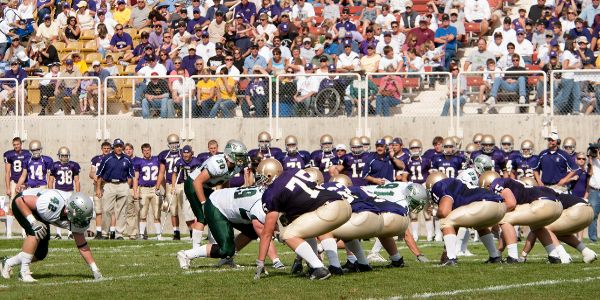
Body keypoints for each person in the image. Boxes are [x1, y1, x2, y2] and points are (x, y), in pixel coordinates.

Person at [254, 159, 352, 280]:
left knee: (288, 234)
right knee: (304, 229)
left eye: (263, 178)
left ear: (270, 175)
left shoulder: (271, 193)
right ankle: (324, 266)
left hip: (328, 209)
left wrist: (260, 262)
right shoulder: (294, 171)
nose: (262, 182)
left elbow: (267, 233)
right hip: (344, 205)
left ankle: (319, 268)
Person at [0, 191, 101, 282]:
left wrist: (95, 269)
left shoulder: (72, 214)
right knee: (37, 231)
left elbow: (82, 245)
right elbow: (19, 200)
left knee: (41, 253)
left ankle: (7, 263)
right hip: (23, 205)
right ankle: (24, 273)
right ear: (68, 211)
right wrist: (33, 222)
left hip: (40, 213)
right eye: (79, 217)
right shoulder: (51, 202)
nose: (81, 221)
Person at [176, 185, 284, 270]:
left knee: (251, 232)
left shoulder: (265, 195)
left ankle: (227, 259)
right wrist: (276, 261)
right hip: (216, 206)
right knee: (226, 249)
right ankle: (186, 254)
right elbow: (265, 235)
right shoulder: (259, 207)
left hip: (226, 203)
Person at [181, 140, 249, 267]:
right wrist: (203, 202)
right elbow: (197, 182)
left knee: (217, 215)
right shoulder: (217, 163)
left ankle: (221, 252)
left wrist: (225, 197)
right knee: (202, 217)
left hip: (206, 187)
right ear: (230, 155)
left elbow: (225, 181)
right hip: (193, 184)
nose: (241, 159)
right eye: (239, 156)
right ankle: (193, 251)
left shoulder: (235, 166)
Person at [482, 173, 571, 263]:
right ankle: (554, 256)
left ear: (488, 184)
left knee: (505, 219)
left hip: (542, 203)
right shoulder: (514, 183)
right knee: (536, 226)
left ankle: (513, 257)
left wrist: (495, 213)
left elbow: (511, 203)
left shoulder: (496, 183)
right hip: (557, 205)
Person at [95, 138, 134, 240]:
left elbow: (130, 175)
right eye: (117, 146)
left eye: (120, 146)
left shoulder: (127, 159)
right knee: (106, 209)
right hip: (109, 184)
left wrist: (126, 187)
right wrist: (98, 189)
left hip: (123, 184)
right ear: (113, 147)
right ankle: (104, 233)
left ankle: (119, 234)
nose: (119, 148)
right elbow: (99, 175)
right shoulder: (107, 158)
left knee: (122, 211)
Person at [48, 146, 81, 239]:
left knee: (71, 213)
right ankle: (58, 233)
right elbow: (50, 181)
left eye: (66, 156)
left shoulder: (73, 165)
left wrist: (77, 193)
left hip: (70, 191)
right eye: (63, 156)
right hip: (58, 191)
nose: (64, 158)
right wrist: (50, 192)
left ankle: (70, 233)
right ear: (59, 156)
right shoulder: (54, 165)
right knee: (58, 212)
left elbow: (77, 181)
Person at [156, 134, 183, 240]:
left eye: (175, 143)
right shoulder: (164, 155)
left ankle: (191, 231)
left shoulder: (183, 153)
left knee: (186, 210)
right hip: (169, 185)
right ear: (168, 143)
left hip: (182, 183)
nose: (174, 146)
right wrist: (157, 186)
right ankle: (176, 232)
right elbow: (161, 172)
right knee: (173, 210)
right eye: (171, 143)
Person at [3, 137, 31, 238]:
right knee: (11, 207)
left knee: (25, 207)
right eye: (14, 145)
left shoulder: (27, 154)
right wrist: (7, 187)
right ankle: (9, 233)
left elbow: (30, 169)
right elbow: (7, 173)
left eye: (17, 144)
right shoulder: (9, 154)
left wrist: (27, 184)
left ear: (21, 144)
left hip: (25, 183)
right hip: (14, 182)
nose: (16, 146)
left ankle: (24, 232)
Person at [133, 143, 161, 240]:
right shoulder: (139, 162)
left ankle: (159, 235)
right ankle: (141, 235)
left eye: (148, 150)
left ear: (150, 150)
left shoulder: (156, 160)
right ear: (142, 152)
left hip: (154, 188)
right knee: (143, 213)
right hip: (143, 189)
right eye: (144, 150)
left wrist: (163, 187)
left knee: (157, 213)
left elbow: (161, 174)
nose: (147, 152)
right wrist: (135, 191)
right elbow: (135, 178)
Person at [587, 142, 600, 242]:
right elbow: (590, 173)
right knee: (593, 215)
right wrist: (590, 161)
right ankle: (593, 238)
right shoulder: (592, 160)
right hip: (594, 191)